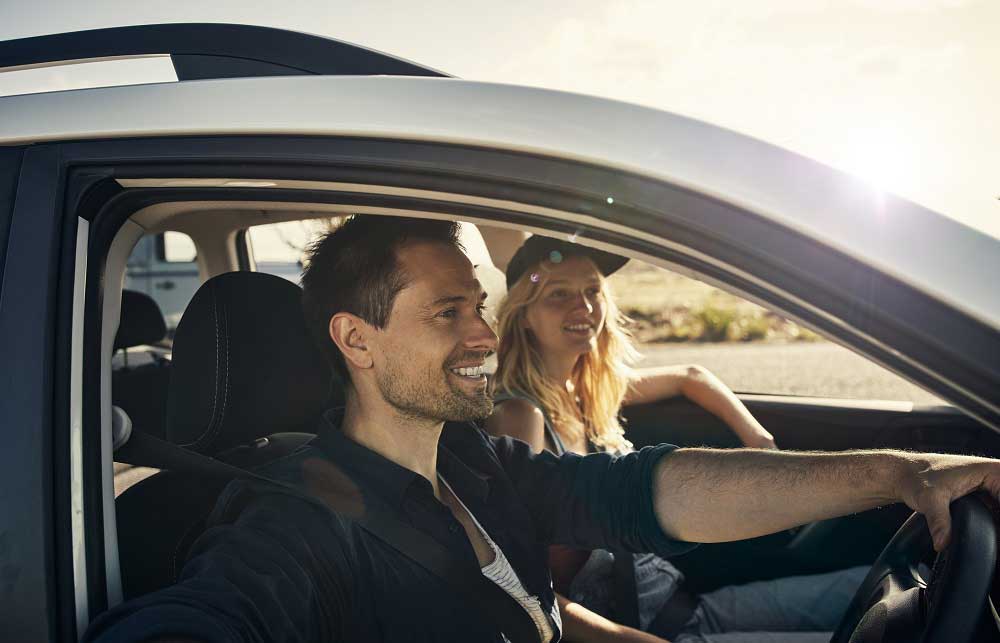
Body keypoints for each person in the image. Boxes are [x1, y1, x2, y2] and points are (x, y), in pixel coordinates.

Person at [86, 215, 1000, 643]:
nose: (486, 332)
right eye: (449, 312)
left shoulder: (479, 463)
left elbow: (642, 493)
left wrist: (904, 471)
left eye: (478, 305)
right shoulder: (297, 521)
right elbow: (211, 616)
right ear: (356, 339)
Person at [486, 236, 871, 642]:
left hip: (687, 608)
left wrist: (760, 441)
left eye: (592, 291)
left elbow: (691, 376)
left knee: (878, 588)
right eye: (558, 294)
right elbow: (520, 586)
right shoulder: (521, 416)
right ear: (523, 314)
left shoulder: (589, 391)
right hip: (642, 632)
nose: (582, 307)